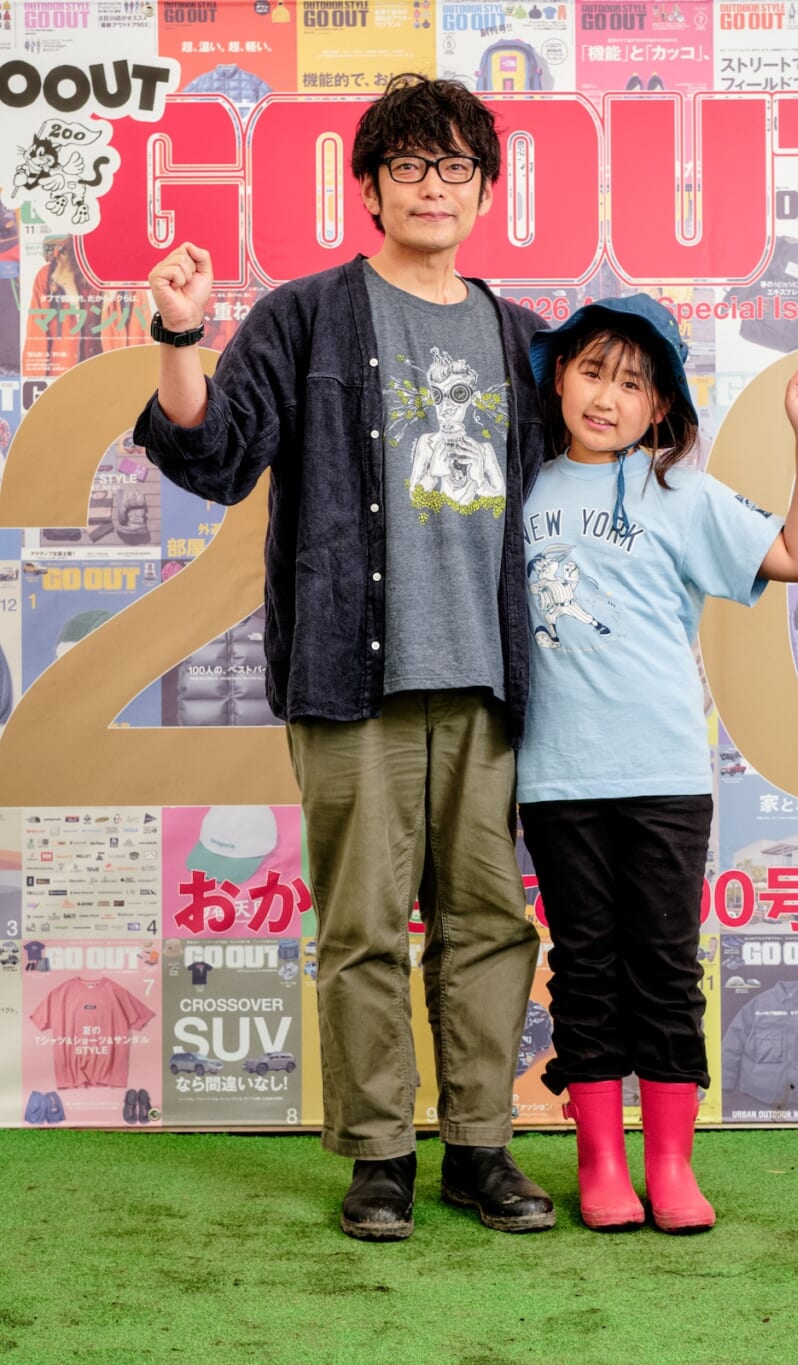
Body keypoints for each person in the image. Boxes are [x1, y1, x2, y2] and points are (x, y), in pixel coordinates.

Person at [133, 73, 556, 1242]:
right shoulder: (306, 318)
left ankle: (480, 1148)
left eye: (455, 166)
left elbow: (582, 498)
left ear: (485, 191)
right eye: (408, 165)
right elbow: (214, 454)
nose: (433, 186)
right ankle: (380, 1157)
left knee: (490, 925)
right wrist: (180, 336)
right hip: (349, 675)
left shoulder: (526, 341)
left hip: (491, 683)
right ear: (369, 188)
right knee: (362, 927)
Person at [514, 294, 798, 1232]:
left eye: (631, 384)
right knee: (585, 967)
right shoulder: (520, 489)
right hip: (556, 777)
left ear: (660, 406)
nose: (606, 398)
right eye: (592, 372)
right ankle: (602, 1163)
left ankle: (670, 1163)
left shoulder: (681, 494)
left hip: (663, 774)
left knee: (662, 965)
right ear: (559, 379)